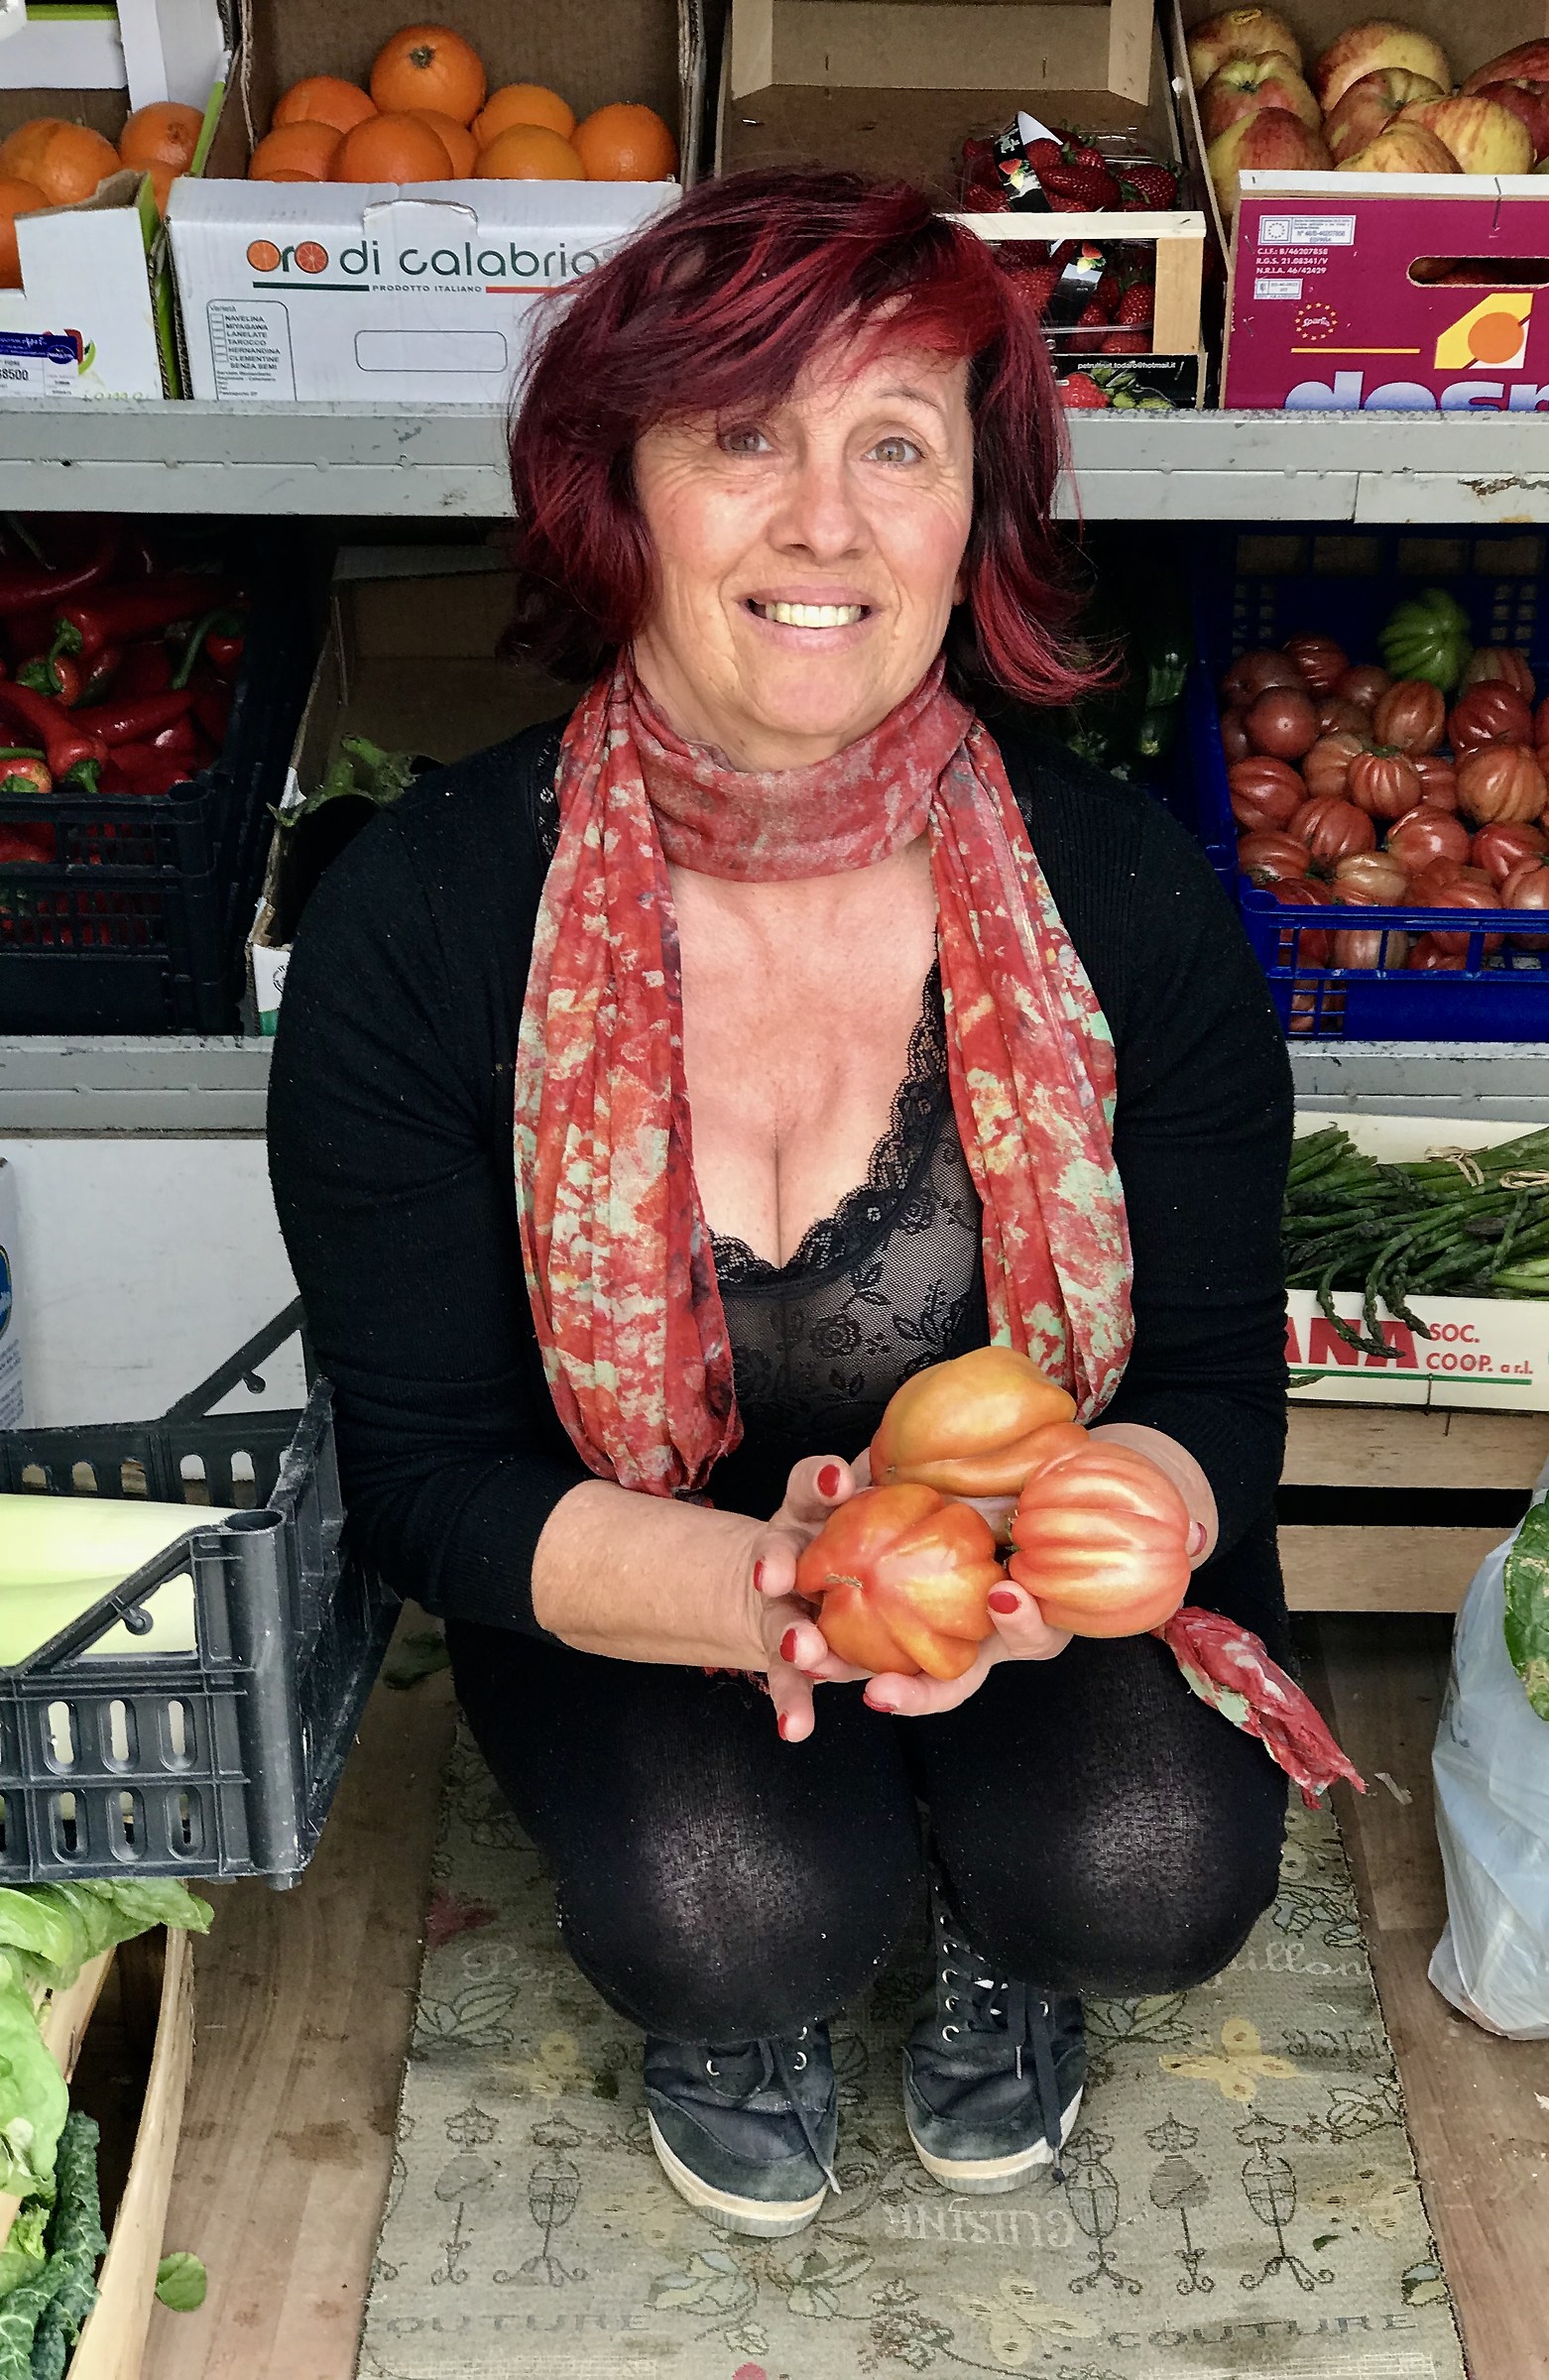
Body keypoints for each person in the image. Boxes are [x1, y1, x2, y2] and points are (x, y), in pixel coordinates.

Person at [267, 167, 1294, 2242]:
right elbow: (431, 1480)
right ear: (616, 494)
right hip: (643, 1569)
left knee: (1149, 1879)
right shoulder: (429, 920)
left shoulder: (1122, 901)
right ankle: (762, 1975)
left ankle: (1006, 1926)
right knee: (731, 1919)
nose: (823, 522)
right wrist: (776, 1596)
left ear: (966, 527)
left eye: (894, 448)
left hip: (1021, 1559)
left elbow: (1201, 1376)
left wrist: (1099, 1542)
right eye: (746, 438)